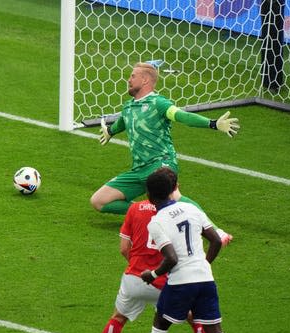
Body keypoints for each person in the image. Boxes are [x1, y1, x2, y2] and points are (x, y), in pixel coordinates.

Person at [85, 169, 225, 333]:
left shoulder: (134, 208)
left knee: (118, 318)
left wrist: (137, 265)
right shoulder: (177, 213)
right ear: (173, 189)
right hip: (164, 280)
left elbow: (124, 248)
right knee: (194, 319)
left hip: (135, 279)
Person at [91, 62, 238, 244]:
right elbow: (123, 121)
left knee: (176, 198)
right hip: (138, 170)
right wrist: (110, 131)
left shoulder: (159, 103)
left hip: (161, 164)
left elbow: (183, 116)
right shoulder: (128, 107)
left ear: (145, 80)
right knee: (99, 201)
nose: (128, 79)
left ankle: (217, 232)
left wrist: (213, 123)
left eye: (133, 76)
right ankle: (152, 210)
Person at [130, 168, 240, 333]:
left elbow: (171, 258)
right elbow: (216, 240)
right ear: (173, 190)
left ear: (149, 196)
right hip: (205, 279)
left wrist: (153, 274)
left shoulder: (157, 222)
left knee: (160, 324)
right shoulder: (192, 209)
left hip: (181, 282)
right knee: (215, 331)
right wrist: (204, 264)